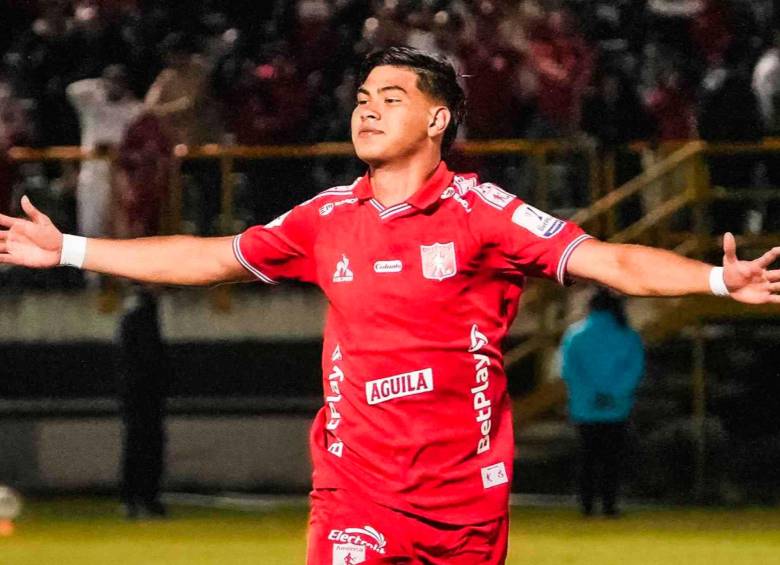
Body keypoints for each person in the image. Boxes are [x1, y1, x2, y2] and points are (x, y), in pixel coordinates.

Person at [1, 47, 779, 564]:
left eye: (392, 97)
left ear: (438, 120)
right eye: (364, 97)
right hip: (354, 492)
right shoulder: (326, 217)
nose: (367, 109)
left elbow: (606, 259)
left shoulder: (483, 212)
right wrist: (68, 247)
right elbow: (210, 256)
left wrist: (716, 280)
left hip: (463, 503)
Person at [560, 288, 644, 517]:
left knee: (587, 458)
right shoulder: (628, 336)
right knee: (612, 459)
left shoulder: (575, 335)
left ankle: (586, 504)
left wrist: (591, 394)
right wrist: (613, 393)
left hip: (585, 408)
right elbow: (634, 369)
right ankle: (609, 504)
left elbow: (570, 370)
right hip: (616, 407)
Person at [66, 65, 143, 239]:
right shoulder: (91, 100)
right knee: (89, 225)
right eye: (112, 81)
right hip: (92, 172)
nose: (116, 85)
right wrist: (101, 83)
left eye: (120, 81)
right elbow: (71, 89)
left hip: (120, 174)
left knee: (118, 225)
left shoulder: (134, 109)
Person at [116, 285, 168, 519]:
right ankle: (144, 499)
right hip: (143, 391)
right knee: (146, 444)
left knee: (137, 444)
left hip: (135, 390)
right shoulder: (144, 310)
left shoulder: (135, 308)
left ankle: (134, 499)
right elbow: (148, 355)